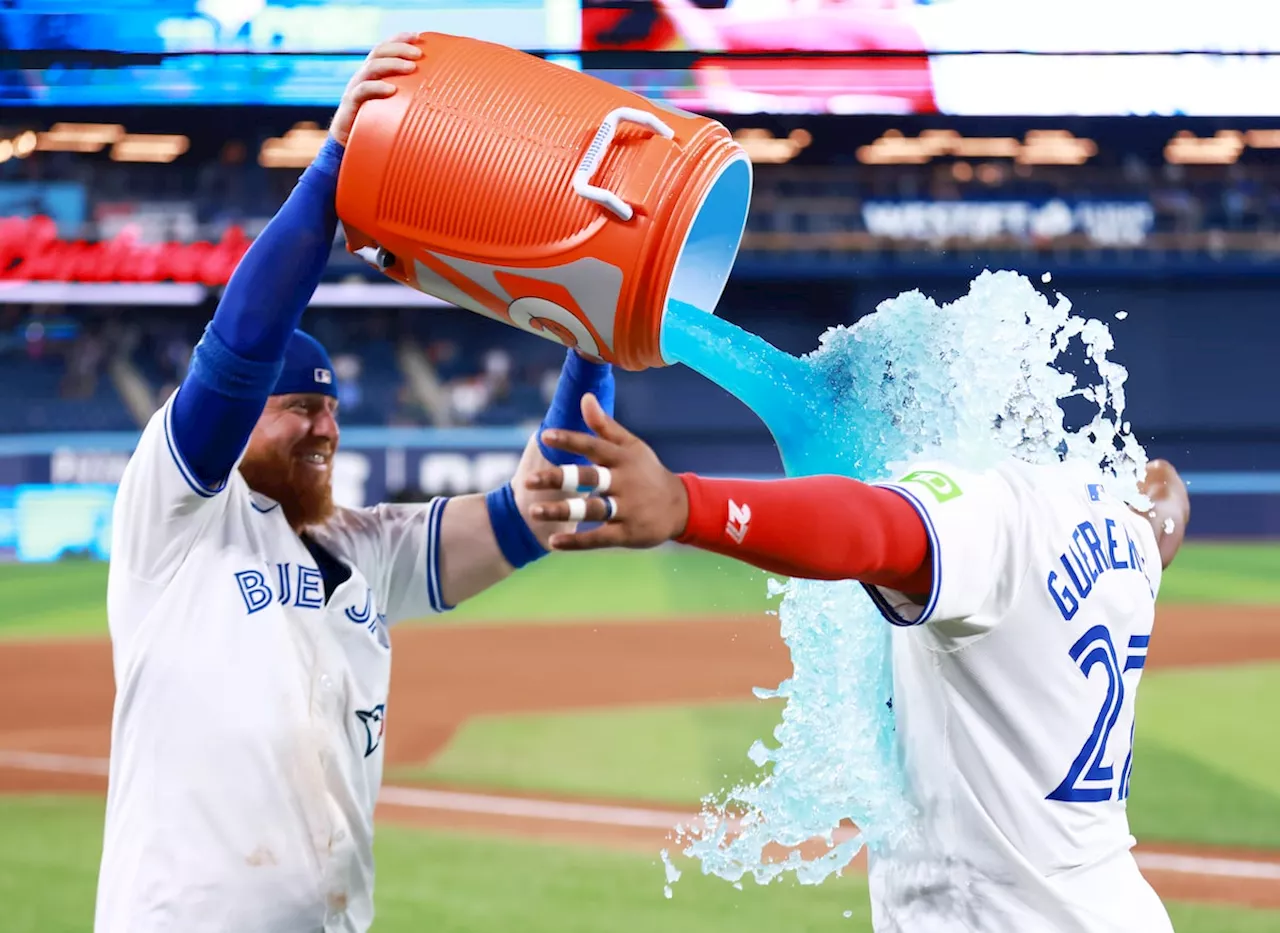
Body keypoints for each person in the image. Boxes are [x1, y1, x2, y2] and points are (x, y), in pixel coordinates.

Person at [94, 36, 614, 933]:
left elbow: (543, 503)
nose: (325, 427)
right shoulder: (178, 517)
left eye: (331, 410)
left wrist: (595, 334)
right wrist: (336, 168)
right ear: (247, 410)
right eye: (299, 406)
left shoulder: (364, 546)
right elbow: (242, 343)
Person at [526, 393, 1191, 933]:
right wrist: (1159, 486)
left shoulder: (995, 508)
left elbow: (872, 528)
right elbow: (1168, 507)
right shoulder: (1120, 528)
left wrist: (688, 503)